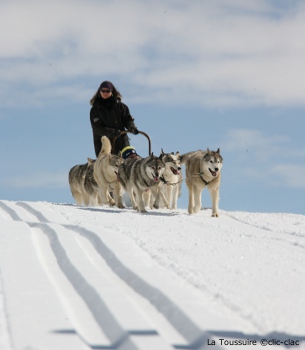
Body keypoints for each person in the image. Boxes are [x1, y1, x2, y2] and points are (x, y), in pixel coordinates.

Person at [90, 81, 139, 157]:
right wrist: (112, 132)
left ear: (112, 91)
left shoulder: (121, 107)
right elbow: (97, 128)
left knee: (131, 159)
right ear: (99, 92)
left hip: (122, 142)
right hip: (104, 146)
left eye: (108, 91)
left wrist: (132, 127)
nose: (105, 93)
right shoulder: (95, 110)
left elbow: (127, 119)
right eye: (103, 91)